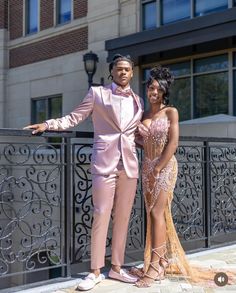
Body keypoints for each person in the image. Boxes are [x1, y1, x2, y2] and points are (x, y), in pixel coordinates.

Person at [24, 54, 143, 291]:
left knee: (123, 217)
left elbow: (132, 132)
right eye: (119, 69)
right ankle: (95, 271)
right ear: (112, 72)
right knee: (101, 213)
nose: (123, 72)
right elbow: (74, 117)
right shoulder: (98, 94)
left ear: (132, 73)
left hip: (129, 164)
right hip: (104, 162)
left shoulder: (137, 100)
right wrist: (48, 124)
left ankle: (117, 268)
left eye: (127, 69)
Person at [132, 66, 236, 288]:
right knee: (153, 215)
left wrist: (159, 167)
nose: (153, 92)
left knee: (156, 211)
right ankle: (157, 261)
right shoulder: (144, 114)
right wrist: (139, 142)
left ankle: (156, 267)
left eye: (158, 90)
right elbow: (143, 142)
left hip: (165, 166)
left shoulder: (171, 112)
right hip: (146, 167)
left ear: (164, 93)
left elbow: (173, 143)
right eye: (151, 88)